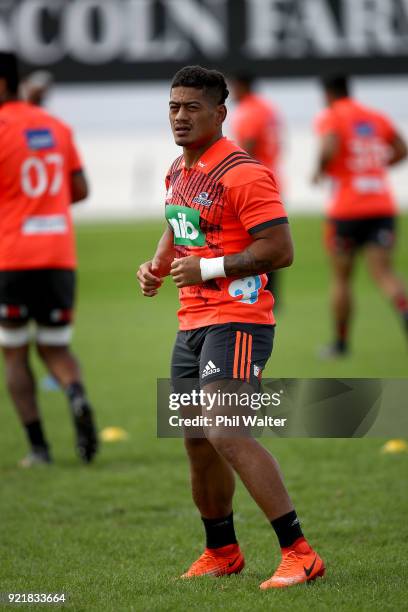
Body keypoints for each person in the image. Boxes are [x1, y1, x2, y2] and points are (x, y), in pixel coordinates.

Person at [137, 65, 324, 589]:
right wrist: (155, 266)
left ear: (220, 113)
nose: (179, 116)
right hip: (191, 320)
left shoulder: (244, 172)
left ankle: (299, 551)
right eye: (174, 106)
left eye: (192, 107)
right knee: (196, 438)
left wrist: (210, 269)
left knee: (227, 430)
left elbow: (280, 250)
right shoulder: (178, 169)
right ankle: (221, 549)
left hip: (238, 321)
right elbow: (178, 226)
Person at [0, 52, 98, 466]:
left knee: (15, 351)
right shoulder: (56, 126)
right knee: (56, 349)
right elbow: (79, 188)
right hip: (59, 254)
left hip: (12, 256)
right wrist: (45, 206)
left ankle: (39, 447)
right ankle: (75, 395)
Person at [313, 75, 408, 358]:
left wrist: (320, 169)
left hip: (347, 208)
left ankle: (340, 344)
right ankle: (404, 311)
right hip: (381, 204)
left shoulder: (332, 115)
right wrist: (376, 167)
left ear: (329, 93)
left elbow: (329, 146)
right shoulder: (376, 116)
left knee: (342, 278)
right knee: (384, 272)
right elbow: (402, 148)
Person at [229, 73, 284, 301]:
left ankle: (258, 292)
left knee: (253, 241)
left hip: (252, 186)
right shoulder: (268, 109)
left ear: (242, 85)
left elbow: (247, 150)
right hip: (272, 178)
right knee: (272, 237)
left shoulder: (249, 112)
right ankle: (273, 294)